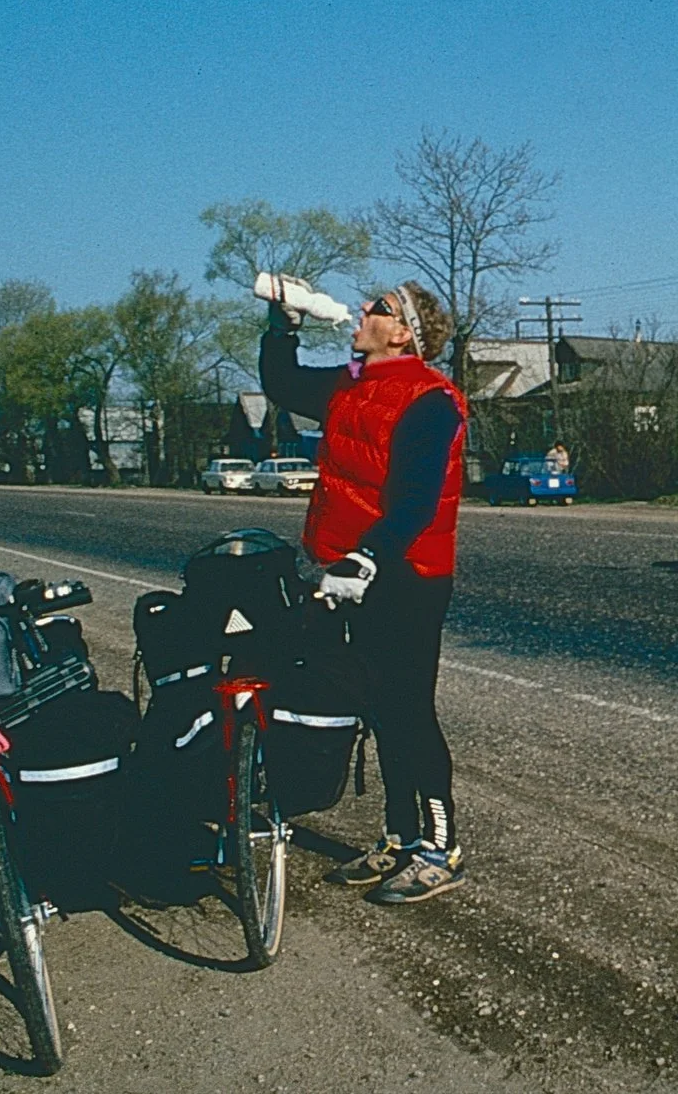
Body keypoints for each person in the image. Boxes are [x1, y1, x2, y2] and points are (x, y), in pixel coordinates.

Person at [258, 276, 469, 904]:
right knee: (374, 707)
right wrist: (282, 327)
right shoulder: (350, 385)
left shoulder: (431, 400)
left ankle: (440, 847)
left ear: (403, 333)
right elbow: (282, 384)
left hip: (405, 576)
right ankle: (400, 836)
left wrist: (365, 558)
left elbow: (416, 503)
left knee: (408, 710)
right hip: (344, 574)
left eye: (379, 308)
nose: (362, 311)